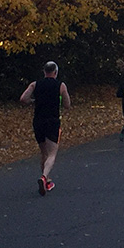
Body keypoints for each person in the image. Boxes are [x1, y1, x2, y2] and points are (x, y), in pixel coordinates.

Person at [20, 62, 71, 195]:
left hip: (38, 121)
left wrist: (33, 101)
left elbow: (23, 98)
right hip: (52, 121)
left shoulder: (35, 84)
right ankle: (43, 177)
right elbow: (67, 104)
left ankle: (46, 181)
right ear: (55, 72)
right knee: (52, 153)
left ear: (44, 72)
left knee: (44, 152)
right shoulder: (60, 85)